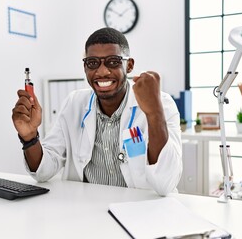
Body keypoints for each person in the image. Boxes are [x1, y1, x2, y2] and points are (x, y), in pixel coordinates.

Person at [12, 27, 182, 196]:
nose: (102, 72)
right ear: (85, 67)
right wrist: (29, 137)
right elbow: (43, 171)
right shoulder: (74, 103)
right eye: (92, 63)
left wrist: (154, 114)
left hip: (143, 213)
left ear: (129, 65)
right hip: (88, 211)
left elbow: (165, 184)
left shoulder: (162, 104)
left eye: (113, 61)